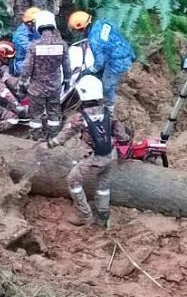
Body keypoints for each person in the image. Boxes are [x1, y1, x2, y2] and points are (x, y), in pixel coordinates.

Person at [47, 76, 130, 228]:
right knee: (103, 186)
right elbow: (122, 136)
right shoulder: (109, 114)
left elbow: (65, 135)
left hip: (93, 158)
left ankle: (84, 215)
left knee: (73, 180)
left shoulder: (80, 117)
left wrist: (51, 144)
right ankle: (103, 216)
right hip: (110, 156)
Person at [70, 11, 135, 114]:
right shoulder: (102, 22)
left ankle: (110, 109)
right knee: (101, 75)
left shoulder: (94, 40)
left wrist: (88, 71)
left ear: (82, 28)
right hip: (126, 51)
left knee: (107, 86)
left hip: (117, 61)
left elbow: (99, 64)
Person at [19, 11, 70, 141]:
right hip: (54, 87)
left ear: (39, 26)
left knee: (35, 115)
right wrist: (68, 80)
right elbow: (66, 66)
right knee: (54, 113)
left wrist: (23, 84)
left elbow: (27, 68)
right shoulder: (62, 45)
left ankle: (35, 138)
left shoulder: (34, 46)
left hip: (36, 88)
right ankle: (53, 137)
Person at [11, 7, 41, 76]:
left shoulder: (35, 30)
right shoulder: (20, 35)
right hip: (23, 64)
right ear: (30, 23)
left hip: (35, 62)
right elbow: (32, 50)